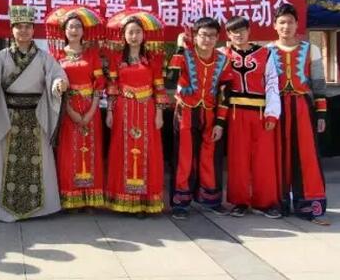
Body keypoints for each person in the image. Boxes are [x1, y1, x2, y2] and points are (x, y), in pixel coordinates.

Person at [0, 5, 68, 222]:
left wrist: (58, 84)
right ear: (12, 29)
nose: (24, 31)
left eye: (28, 27)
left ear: (33, 30)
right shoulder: (1, 57)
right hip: (9, 117)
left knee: (39, 161)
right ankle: (3, 209)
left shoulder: (44, 58)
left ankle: (42, 209)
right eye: (19, 27)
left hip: (36, 116)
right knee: (6, 161)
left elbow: (56, 75)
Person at [267, 3, 329, 225]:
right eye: (282, 22)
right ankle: (278, 202)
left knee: (306, 155)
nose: (286, 26)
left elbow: (319, 84)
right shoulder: (266, 51)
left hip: (303, 106)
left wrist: (321, 114)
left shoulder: (311, 50)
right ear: (275, 25)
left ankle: (308, 204)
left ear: (297, 25)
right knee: (277, 155)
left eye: (290, 22)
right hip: (276, 107)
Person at [167, 17, 232, 220]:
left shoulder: (223, 60)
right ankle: (180, 203)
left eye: (212, 36)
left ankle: (211, 200)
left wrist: (220, 122)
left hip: (210, 114)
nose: (207, 39)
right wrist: (179, 47)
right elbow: (171, 79)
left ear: (218, 38)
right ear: (195, 36)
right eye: (203, 35)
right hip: (186, 112)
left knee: (210, 158)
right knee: (184, 158)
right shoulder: (185, 55)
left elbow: (225, 94)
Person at [105, 14, 169, 216]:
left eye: (138, 32)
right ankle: (123, 200)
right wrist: (109, 111)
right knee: (121, 152)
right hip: (123, 109)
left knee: (148, 153)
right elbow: (112, 88)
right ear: (124, 35)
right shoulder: (116, 59)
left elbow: (160, 88)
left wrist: (159, 114)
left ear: (144, 35)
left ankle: (144, 202)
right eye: (130, 32)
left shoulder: (153, 59)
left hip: (147, 109)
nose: (134, 36)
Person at [220, 16, 281, 219]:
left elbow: (272, 83)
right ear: (228, 34)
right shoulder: (223, 54)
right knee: (238, 159)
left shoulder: (265, 53)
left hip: (261, 112)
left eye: (242, 30)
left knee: (264, 159)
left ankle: (265, 202)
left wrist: (272, 113)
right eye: (233, 31)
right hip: (235, 112)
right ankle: (240, 202)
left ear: (249, 31)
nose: (238, 35)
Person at [46, 7, 105, 210]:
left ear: (83, 31)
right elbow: (54, 86)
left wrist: (91, 111)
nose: (74, 30)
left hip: (90, 108)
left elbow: (99, 86)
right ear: (64, 31)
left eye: (78, 26)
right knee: (69, 152)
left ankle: (90, 198)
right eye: (71, 26)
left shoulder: (92, 55)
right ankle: (71, 197)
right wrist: (69, 111)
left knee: (90, 151)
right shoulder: (56, 56)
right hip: (67, 108)